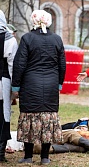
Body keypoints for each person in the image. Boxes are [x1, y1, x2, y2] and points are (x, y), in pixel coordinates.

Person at [11, 10, 66, 165]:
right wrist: (59, 83)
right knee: (48, 119)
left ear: (33, 21)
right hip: (50, 85)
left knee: (29, 117)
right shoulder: (57, 39)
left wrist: (16, 85)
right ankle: (45, 157)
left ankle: (28, 156)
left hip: (30, 84)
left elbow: (20, 64)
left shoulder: (27, 38)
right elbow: (62, 64)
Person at [0, 10, 18, 163]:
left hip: (3, 79)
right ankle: (0, 152)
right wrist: (15, 87)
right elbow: (12, 66)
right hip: (3, 81)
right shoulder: (9, 40)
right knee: (4, 113)